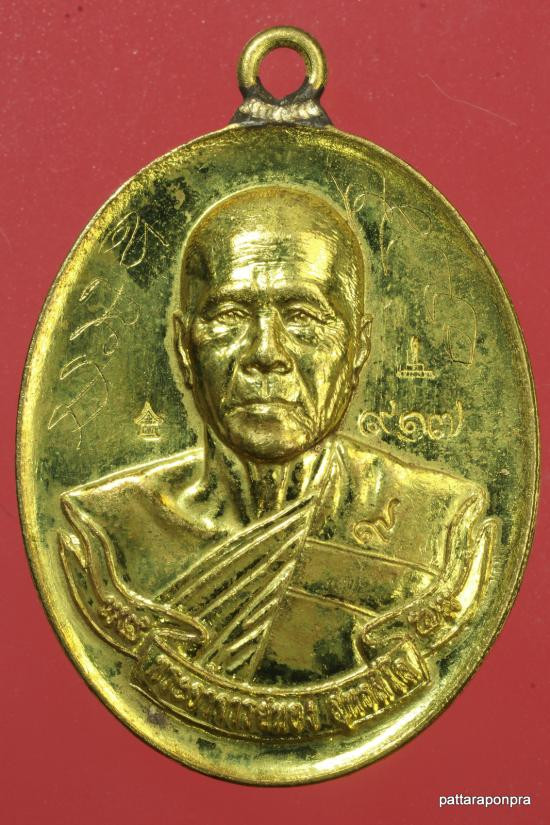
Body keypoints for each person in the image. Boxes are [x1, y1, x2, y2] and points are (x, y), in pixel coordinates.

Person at [60, 185, 495, 685]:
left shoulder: (437, 521)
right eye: (229, 315)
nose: (265, 353)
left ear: (357, 347)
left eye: (302, 316)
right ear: (183, 346)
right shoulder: (110, 528)